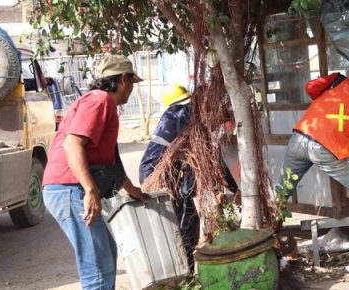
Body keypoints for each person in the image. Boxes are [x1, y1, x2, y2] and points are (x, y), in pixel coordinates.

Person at [42, 54, 145, 290]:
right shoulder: (99, 101)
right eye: (131, 82)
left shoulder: (102, 103)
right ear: (123, 79)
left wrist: (133, 190)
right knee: (97, 270)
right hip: (70, 189)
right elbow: (72, 144)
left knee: (105, 255)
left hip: (69, 188)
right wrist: (90, 190)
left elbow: (110, 164)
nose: (131, 90)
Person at [277, 72, 349, 271]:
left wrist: (326, 102)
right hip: (324, 148)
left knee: (280, 196)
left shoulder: (339, 80)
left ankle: (265, 249)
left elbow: (310, 87)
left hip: (300, 136)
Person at [139, 83, 238, 260]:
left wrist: (219, 189)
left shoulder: (177, 114)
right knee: (183, 224)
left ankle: (189, 267)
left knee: (189, 220)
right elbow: (213, 160)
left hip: (163, 172)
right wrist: (234, 189)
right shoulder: (183, 115)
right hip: (160, 176)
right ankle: (186, 268)